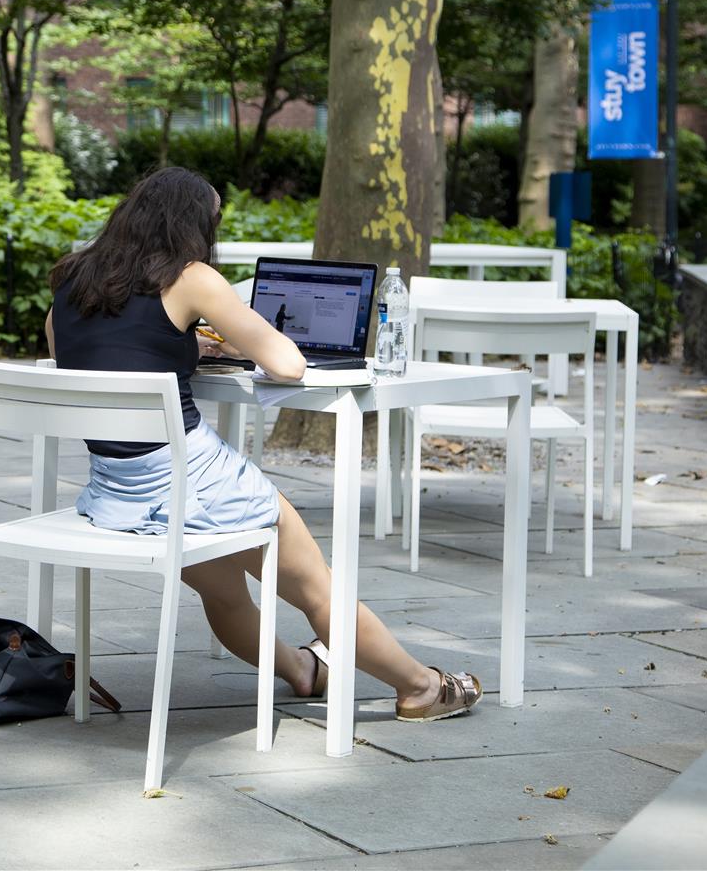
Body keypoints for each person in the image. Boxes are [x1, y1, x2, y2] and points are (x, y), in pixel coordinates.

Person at [45, 167, 480, 722]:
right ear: (192, 225)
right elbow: (288, 363)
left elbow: (70, 355)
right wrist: (220, 333)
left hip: (118, 491)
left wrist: (176, 350)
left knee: (225, 596)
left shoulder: (71, 276)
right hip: (195, 479)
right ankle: (420, 687)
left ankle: (301, 671)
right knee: (317, 590)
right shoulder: (190, 277)